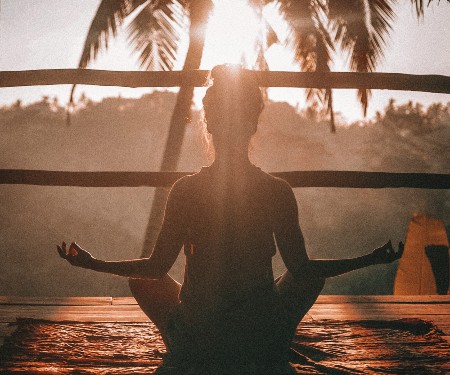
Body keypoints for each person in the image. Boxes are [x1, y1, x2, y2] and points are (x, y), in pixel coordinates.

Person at [57, 64, 403, 372]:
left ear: (208, 123)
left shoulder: (186, 190)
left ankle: (184, 347)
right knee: (309, 277)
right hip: (258, 337)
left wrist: (94, 263)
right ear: (253, 125)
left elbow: (154, 267)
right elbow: (302, 269)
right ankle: (273, 341)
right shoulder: (276, 191)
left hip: (200, 337)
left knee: (141, 280)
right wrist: (369, 259)